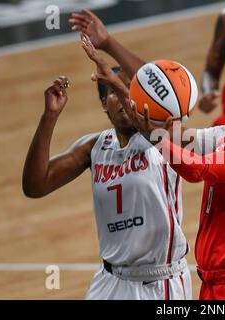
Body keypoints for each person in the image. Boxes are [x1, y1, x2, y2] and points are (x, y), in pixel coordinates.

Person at [81, 31, 225, 299]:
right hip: (217, 284)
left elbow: (197, 169)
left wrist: (154, 133)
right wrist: (123, 89)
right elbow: (175, 135)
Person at [22, 68, 192, 298]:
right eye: (114, 91)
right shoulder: (95, 147)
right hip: (110, 280)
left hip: (160, 282)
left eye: (131, 90)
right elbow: (35, 185)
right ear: (104, 103)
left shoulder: (163, 137)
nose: (124, 97)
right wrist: (49, 116)